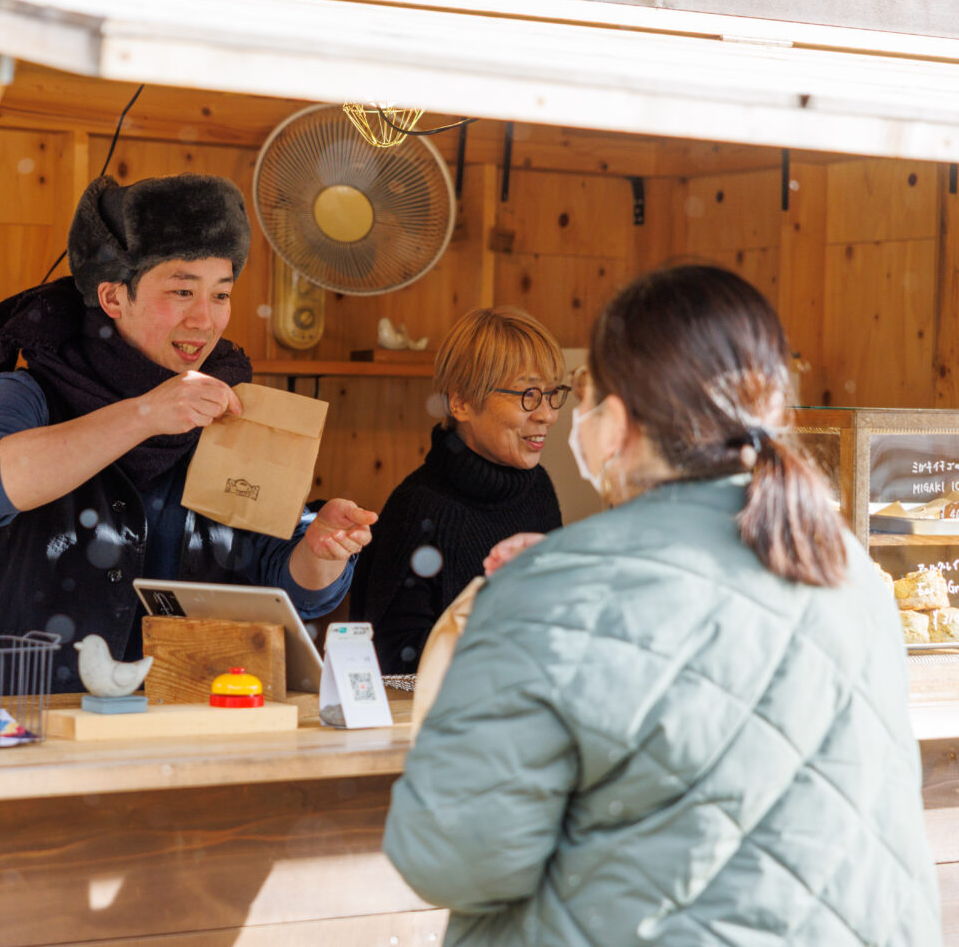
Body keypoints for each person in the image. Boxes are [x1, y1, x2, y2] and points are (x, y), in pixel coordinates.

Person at [383, 265, 939, 946]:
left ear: (611, 420)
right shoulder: (848, 569)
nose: (554, 414)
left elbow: (452, 858)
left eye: (569, 395)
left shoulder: (552, 586)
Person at [0, 173, 376, 693]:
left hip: (182, 716)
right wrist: (145, 414)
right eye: (181, 291)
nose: (205, 319)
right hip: (27, 721)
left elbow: (284, 585)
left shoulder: (231, 403)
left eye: (221, 295)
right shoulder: (34, 391)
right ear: (112, 298)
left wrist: (318, 551)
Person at [350, 306, 566, 673]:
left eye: (551, 393)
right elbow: (394, 669)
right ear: (461, 402)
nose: (547, 414)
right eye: (528, 394)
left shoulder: (537, 488)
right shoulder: (419, 509)